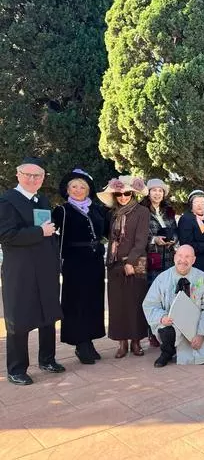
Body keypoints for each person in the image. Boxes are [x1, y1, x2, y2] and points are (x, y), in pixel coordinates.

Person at [0, 158, 64, 385]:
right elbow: (7, 236)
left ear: (43, 178)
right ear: (18, 175)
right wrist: (40, 232)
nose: (32, 179)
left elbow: (46, 231)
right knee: (19, 317)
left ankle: (47, 359)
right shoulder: (7, 201)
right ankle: (16, 369)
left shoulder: (42, 199)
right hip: (20, 270)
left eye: (37, 176)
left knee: (48, 313)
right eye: (27, 174)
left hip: (45, 268)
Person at [52, 168, 107, 365]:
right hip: (75, 263)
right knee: (77, 302)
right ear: (67, 189)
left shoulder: (98, 209)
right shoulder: (62, 211)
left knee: (93, 300)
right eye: (74, 186)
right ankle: (80, 343)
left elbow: (109, 230)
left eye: (82, 186)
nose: (78, 189)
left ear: (88, 189)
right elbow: (51, 235)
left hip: (95, 262)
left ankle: (90, 339)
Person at [98, 175, 150, 359]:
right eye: (119, 194)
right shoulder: (112, 213)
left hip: (135, 262)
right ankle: (122, 342)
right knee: (118, 304)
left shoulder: (142, 212)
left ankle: (136, 342)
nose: (123, 197)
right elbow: (110, 237)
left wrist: (130, 262)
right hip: (114, 263)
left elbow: (141, 240)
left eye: (127, 193)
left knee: (135, 302)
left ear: (133, 193)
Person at [143, 245, 204, 367]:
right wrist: (162, 318)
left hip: (195, 326)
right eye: (180, 256)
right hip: (171, 324)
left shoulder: (202, 278)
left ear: (193, 260)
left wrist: (201, 334)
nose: (183, 260)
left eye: (188, 257)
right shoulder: (162, 279)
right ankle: (167, 353)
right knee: (165, 330)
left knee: (200, 352)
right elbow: (150, 304)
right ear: (174, 258)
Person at [141, 179, 178, 285]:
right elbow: (138, 235)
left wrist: (174, 239)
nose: (157, 194)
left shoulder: (168, 211)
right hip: (151, 260)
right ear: (148, 193)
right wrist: (154, 239)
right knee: (153, 291)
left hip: (169, 259)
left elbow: (175, 230)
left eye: (160, 191)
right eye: (154, 190)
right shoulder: (142, 211)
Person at [178, 190, 204, 285]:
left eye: (202, 203)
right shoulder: (187, 219)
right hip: (197, 263)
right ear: (191, 204)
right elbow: (186, 243)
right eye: (196, 202)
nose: (200, 205)